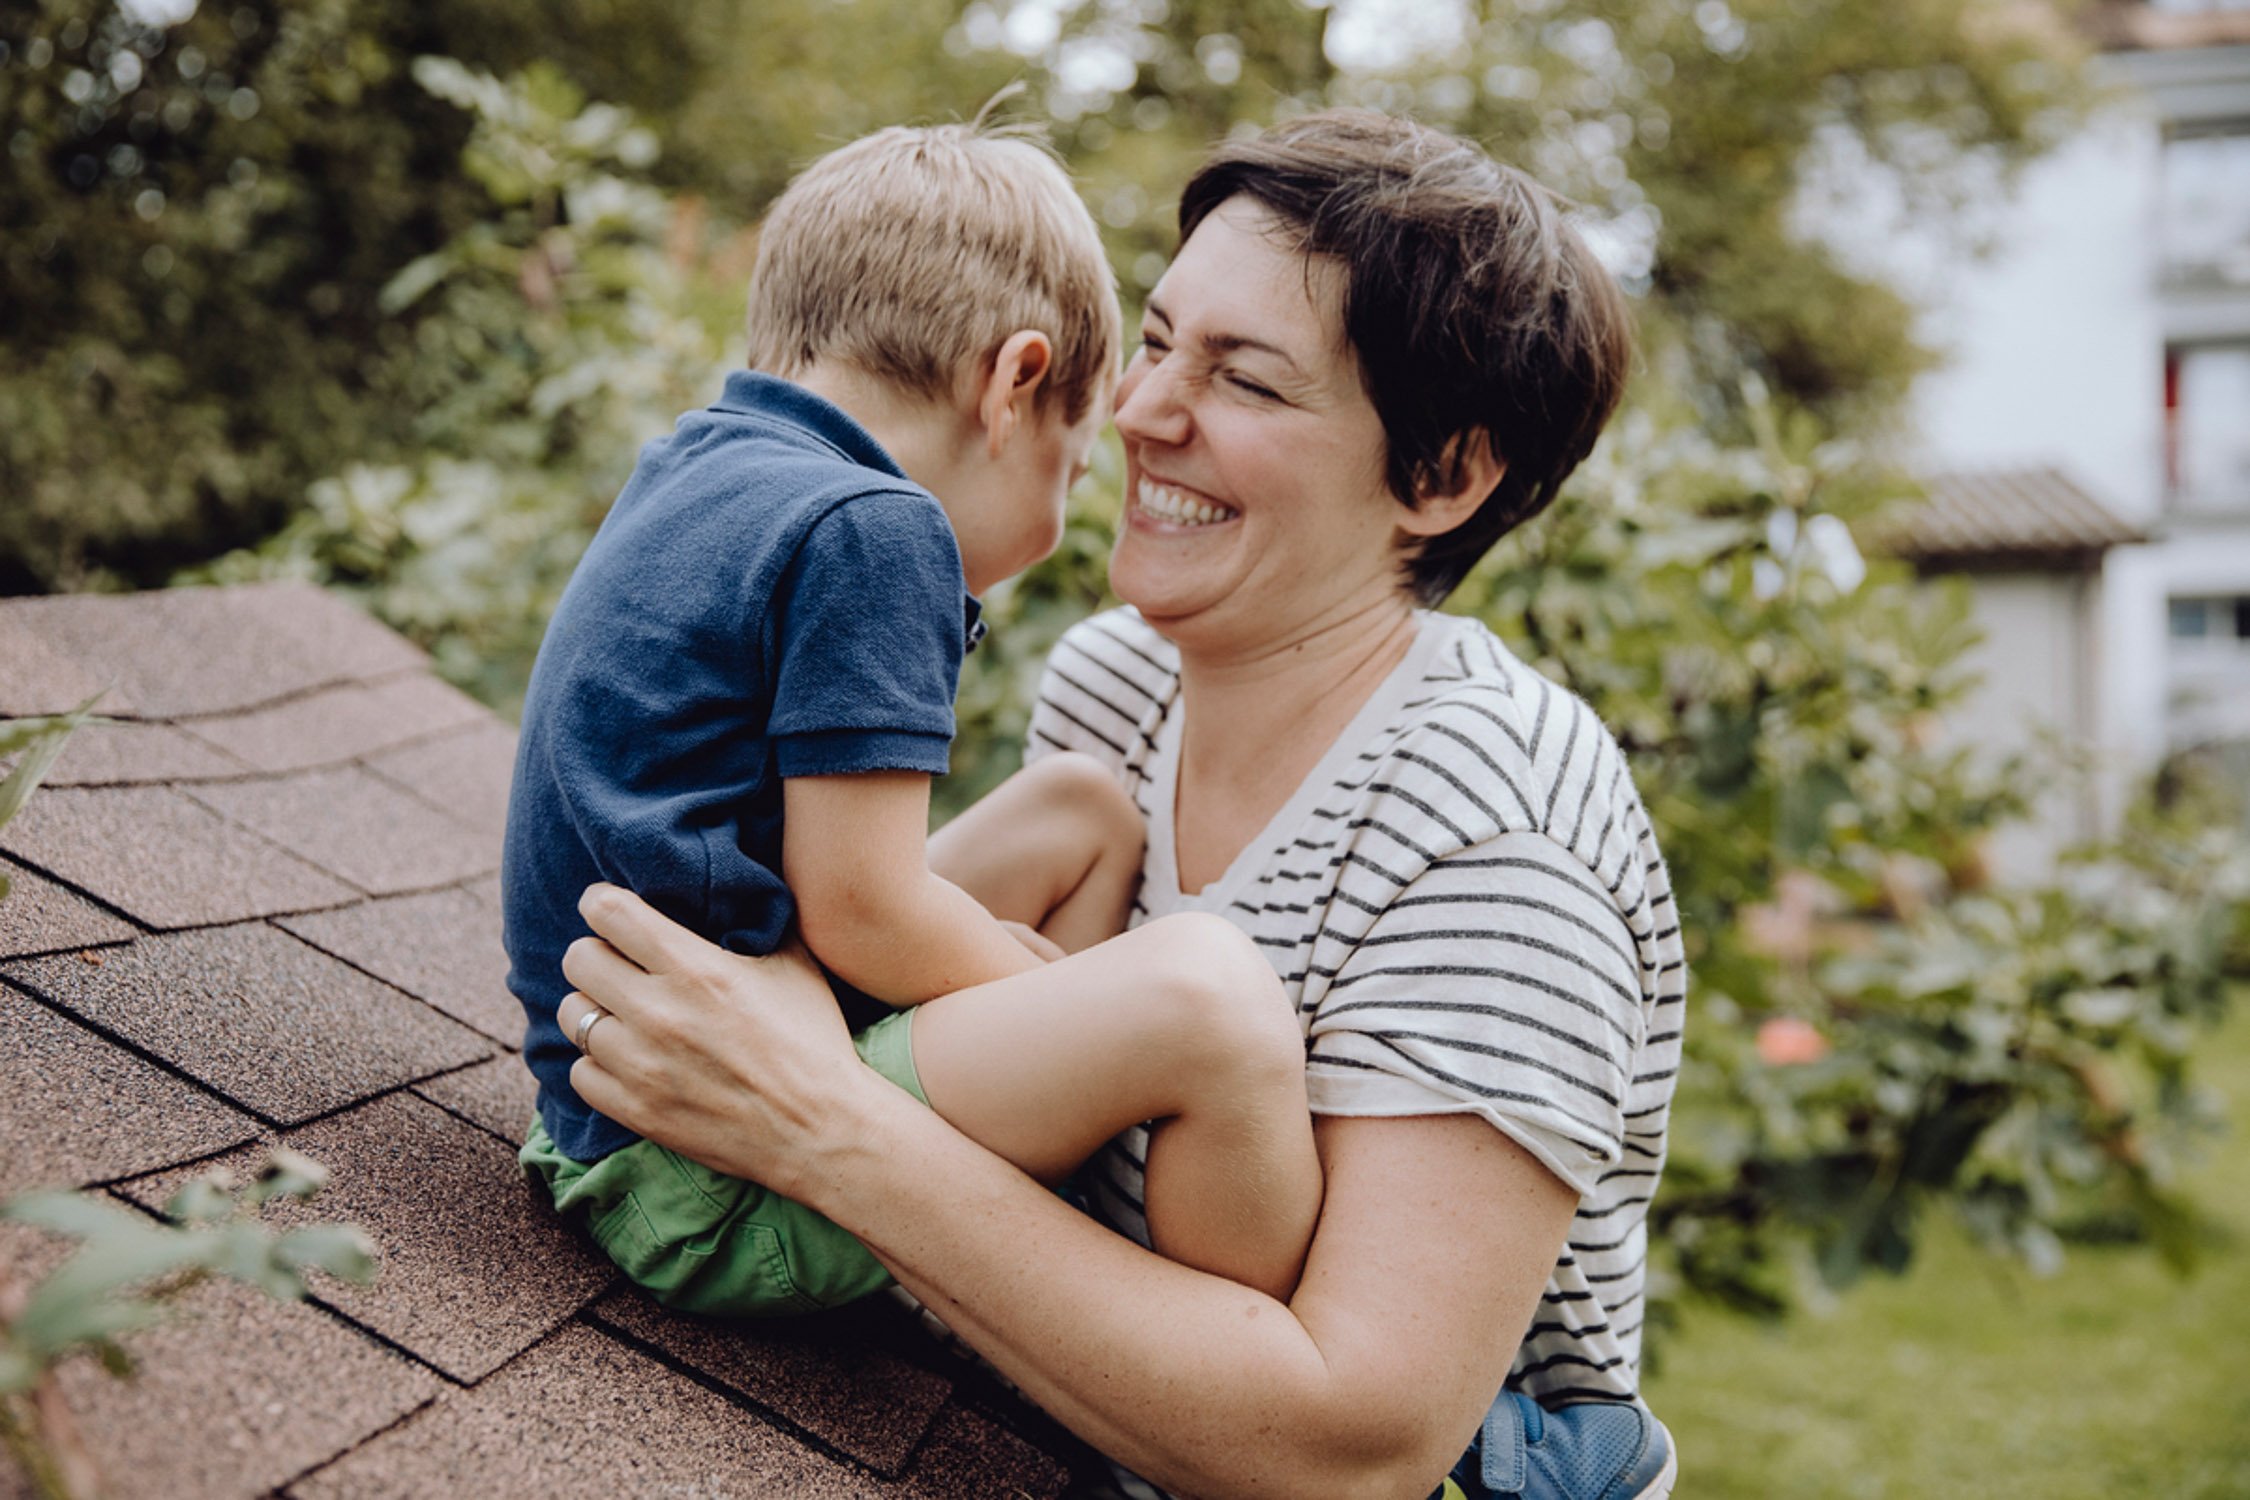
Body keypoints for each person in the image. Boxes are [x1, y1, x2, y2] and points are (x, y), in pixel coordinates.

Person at [554, 110, 1686, 1500]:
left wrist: (825, 1126)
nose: (1139, 414)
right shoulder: (1120, 685)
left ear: (1440, 475)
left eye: (1246, 382)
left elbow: (1354, 1450)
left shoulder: (1498, 846)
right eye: (1155, 342)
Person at [503, 117, 1327, 1320]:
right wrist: (1045, 988)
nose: (1062, 511)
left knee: (1083, 809)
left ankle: (1044, 1142)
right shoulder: (878, 528)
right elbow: (865, 908)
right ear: (1015, 384)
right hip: (704, 1176)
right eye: (1073, 461)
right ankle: (1169, 1318)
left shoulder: (703, 461)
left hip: (605, 1114)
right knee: (1207, 1018)